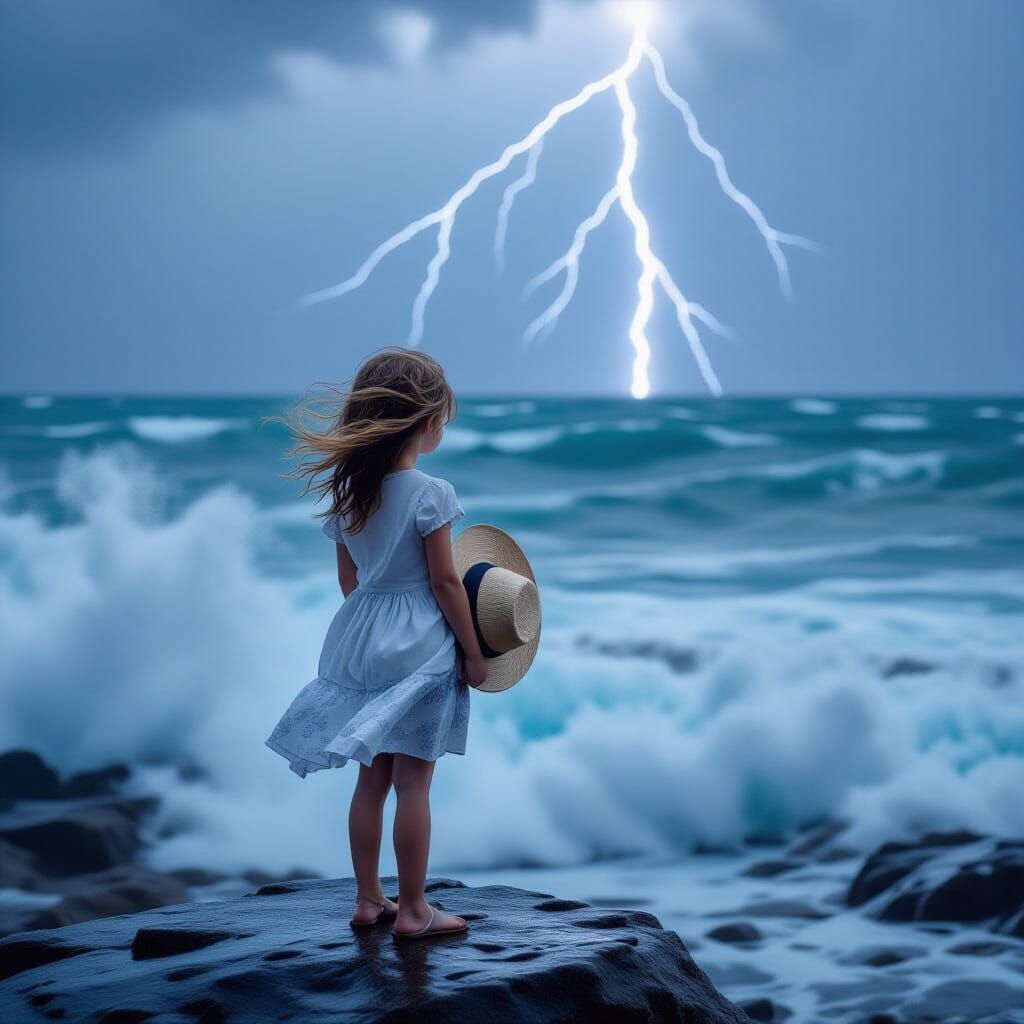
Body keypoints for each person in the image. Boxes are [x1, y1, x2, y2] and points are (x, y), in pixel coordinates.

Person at [263, 347, 487, 940]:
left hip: (360, 635)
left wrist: (373, 631)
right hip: (420, 642)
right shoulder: (431, 493)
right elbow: (442, 580)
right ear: (427, 422)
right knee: (414, 782)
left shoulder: (350, 493)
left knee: (371, 779)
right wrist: (471, 651)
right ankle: (415, 910)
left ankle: (368, 899)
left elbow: (348, 581)